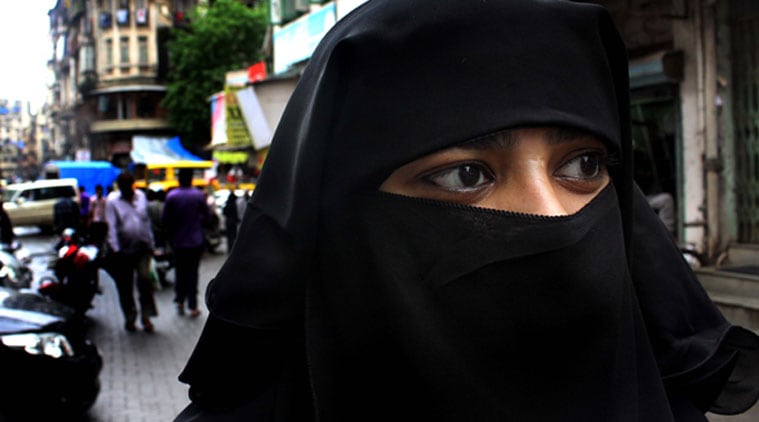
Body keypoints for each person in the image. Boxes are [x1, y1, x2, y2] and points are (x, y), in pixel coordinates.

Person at [175, 1, 759, 420]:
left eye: (583, 166)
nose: (553, 218)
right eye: (467, 175)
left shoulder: (660, 396)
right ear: (342, 216)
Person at [105, 171, 157, 332]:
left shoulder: (141, 197)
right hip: (123, 251)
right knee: (125, 287)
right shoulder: (113, 202)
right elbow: (111, 227)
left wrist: (151, 243)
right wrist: (116, 249)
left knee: (145, 280)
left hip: (142, 247)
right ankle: (130, 317)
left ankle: (146, 317)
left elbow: (146, 221)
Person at [162, 168, 210, 318]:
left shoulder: (172, 196)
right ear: (191, 179)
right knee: (192, 273)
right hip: (195, 241)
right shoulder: (198, 195)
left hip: (178, 242)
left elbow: (165, 221)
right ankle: (193, 306)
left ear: (179, 179)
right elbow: (208, 217)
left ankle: (180, 301)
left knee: (180, 272)